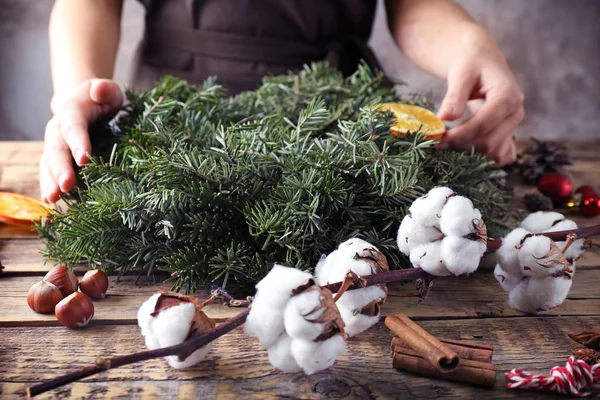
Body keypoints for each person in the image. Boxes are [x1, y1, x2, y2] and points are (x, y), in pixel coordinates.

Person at [40, 0, 524, 203]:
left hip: (345, 129)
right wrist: (77, 90)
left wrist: (468, 42)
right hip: (175, 127)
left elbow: (415, 5)